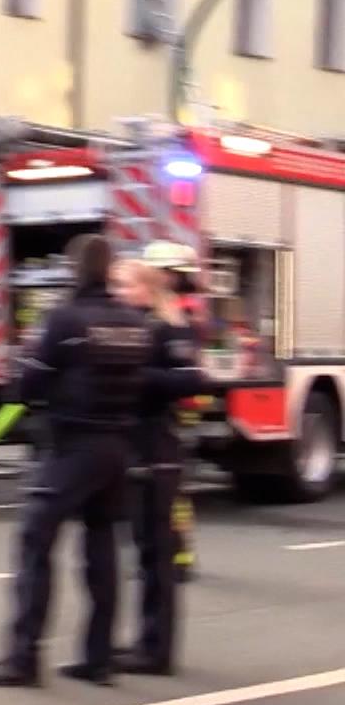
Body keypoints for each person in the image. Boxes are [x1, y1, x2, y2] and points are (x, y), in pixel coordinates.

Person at [0, 233, 151, 689]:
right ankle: (98, 658)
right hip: (118, 447)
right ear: (110, 270)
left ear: (74, 270)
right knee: (101, 549)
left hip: (73, 446)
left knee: (35, 542)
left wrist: (23, 384)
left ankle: (23, 658)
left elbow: (28, 385)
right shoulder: (134, 322)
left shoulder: (65, 319)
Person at [113, 255, 207, 675]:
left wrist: (138, 376)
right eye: (115, 285)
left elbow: (191, 379)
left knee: (157, 552)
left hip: (158, 447)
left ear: (148, 290)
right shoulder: (129, 327)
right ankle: (144, 641)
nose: (118, 293)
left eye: (125, 285)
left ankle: (156, 651)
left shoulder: (170, 328)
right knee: (143, 551)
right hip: (132, 446)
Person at [143, 241, 205, 583]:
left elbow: (189, 374)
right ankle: (164, 554)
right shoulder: (158, 311)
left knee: (171, 489)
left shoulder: (177, 315)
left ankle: (178, 556)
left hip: (170, 417)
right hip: (155, 417)